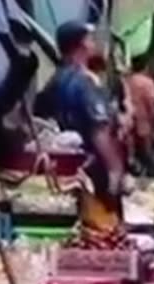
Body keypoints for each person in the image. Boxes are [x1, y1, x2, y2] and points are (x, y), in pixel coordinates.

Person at [34, 22, 127, 232]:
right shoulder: (85, 83)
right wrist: (115, 172)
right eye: (90, 38)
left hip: (65, 175)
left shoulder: (54, 81)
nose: (94, 42)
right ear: (81, 44)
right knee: (103, 232)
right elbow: (100, 131)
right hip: (92, 176)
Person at [124, 56, 154, 174]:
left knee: (132, 151)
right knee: (147, 150)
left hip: (129, 120)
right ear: (145, 67)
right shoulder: (148, 83)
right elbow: (152, 103)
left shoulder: (127, 81)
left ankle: (135, 171)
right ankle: (150, 173)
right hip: (144, 120)